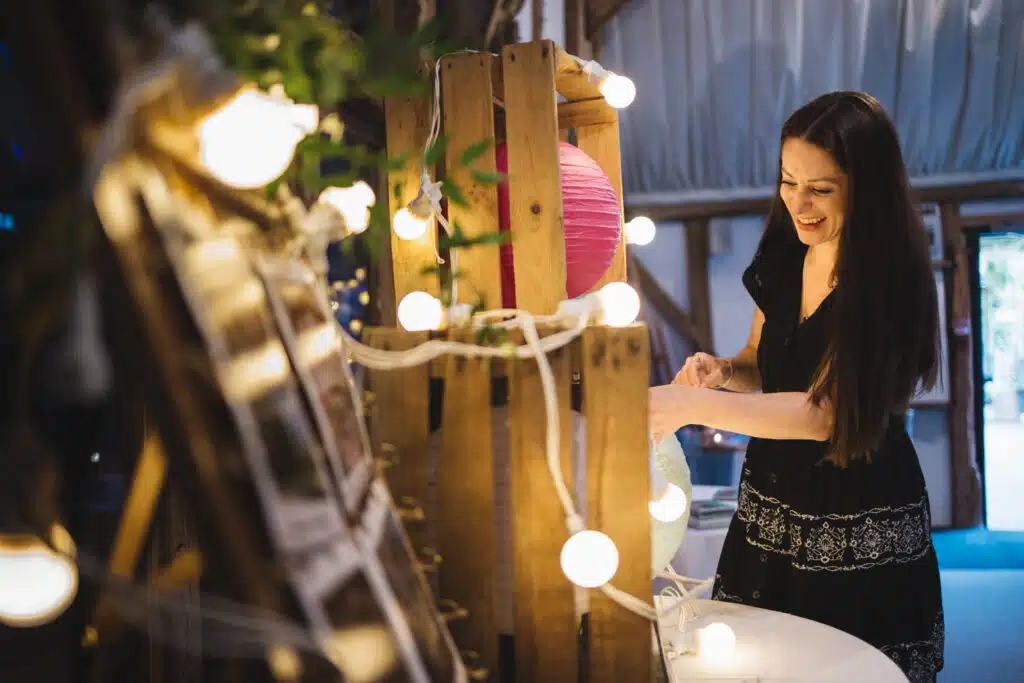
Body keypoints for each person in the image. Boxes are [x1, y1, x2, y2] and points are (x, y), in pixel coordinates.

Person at [649, 91, 944, 683]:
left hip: (856, 510)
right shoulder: (787, 251)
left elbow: (823, 414)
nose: (798, 204)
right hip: (771, 502)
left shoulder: (886, 280)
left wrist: (686, 403)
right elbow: (763, 359)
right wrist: (724, 373)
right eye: (788, 181)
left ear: (866, 187)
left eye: (821, 189)